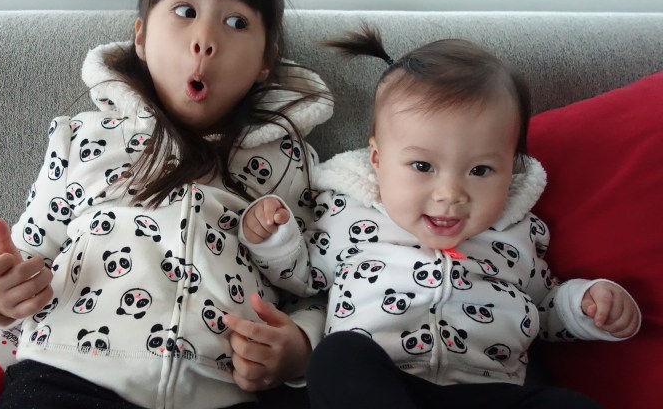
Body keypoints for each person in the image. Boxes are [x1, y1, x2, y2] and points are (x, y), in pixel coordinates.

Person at [0, 0, 333, 409]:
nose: (204, 41)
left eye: (236, 22)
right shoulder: (82, 138)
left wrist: (298, 349)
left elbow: (314, 287)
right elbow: (30, 253)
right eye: (185, 11)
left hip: (223, 388)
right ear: (141, 34)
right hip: (69, 370)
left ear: (266, 62)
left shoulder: (285, 161)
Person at [237, 26, 641, 409]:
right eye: (422, 167)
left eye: (480, 171)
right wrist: (275, 238)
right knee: (337, 357)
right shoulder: (348, 214)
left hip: (487, 392)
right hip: (388, 384)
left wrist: (584, 304)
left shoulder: (517, 233)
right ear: (377, 160)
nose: (450, 195)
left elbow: (543, 307)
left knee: (569, 404)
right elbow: (304, 276)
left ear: (511, 169)